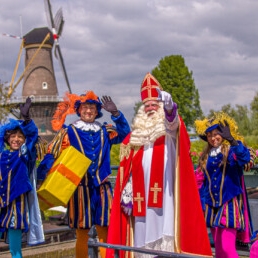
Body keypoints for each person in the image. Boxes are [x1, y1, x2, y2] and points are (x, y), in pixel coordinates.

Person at [106, 73, 212, 257]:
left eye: (154, 104)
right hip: (140, 198)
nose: (150, 108)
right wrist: (128, 188)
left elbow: (173, 125)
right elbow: (127, 166)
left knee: (165, 237)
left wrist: (171, 110)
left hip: (165, 194)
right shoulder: (135, 137)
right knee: (141, 239)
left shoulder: (168, 131)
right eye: (146, 105)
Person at [37, 90, 130, 258]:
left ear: (97, 112)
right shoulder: (69, 132)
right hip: (80, 188)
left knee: (105, 230)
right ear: (79, 111)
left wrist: (116, 114)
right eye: (85, 108)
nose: (89, 111)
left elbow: (125, 135)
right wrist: (42, 175)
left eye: (92, 108)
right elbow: (52, 153)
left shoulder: (106, 131)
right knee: (82, 233)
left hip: (102, 187)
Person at [194, 112, 253, 258]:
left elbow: (245, 159)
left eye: (216, 134)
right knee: (219, 250)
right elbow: (200, 181)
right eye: (209, 135)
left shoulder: (232, 151)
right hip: (211, 206)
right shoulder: (206, 156)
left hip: (229, 204)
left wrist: (232, 140)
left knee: (227, 248)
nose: (213, 138)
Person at [0, 97, 45, 258]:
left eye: (20, 137)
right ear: (7, 138)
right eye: (13, 136)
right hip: (2, 202)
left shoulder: (24, 154)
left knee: (15, 250)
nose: (16, 139)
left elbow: (33, 136)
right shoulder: (2, 154)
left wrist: (26, 119)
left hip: (16, 205)